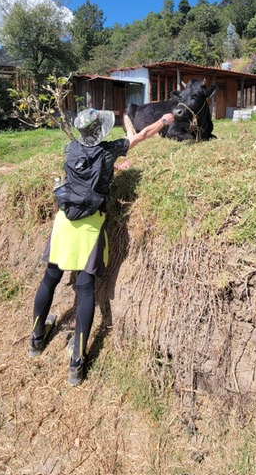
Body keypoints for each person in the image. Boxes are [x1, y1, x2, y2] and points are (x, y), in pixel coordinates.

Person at [28, 107, 174, 385]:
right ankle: (76, 363)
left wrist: (111, 169)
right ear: (100, 131)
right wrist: (164, 120)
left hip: (64, 223)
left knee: (50, 278)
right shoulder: (109, 151)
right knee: (85, 290)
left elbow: (81, 173)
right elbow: (143, 134)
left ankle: (36, 340)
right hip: (89, 228)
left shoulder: (71, 148)